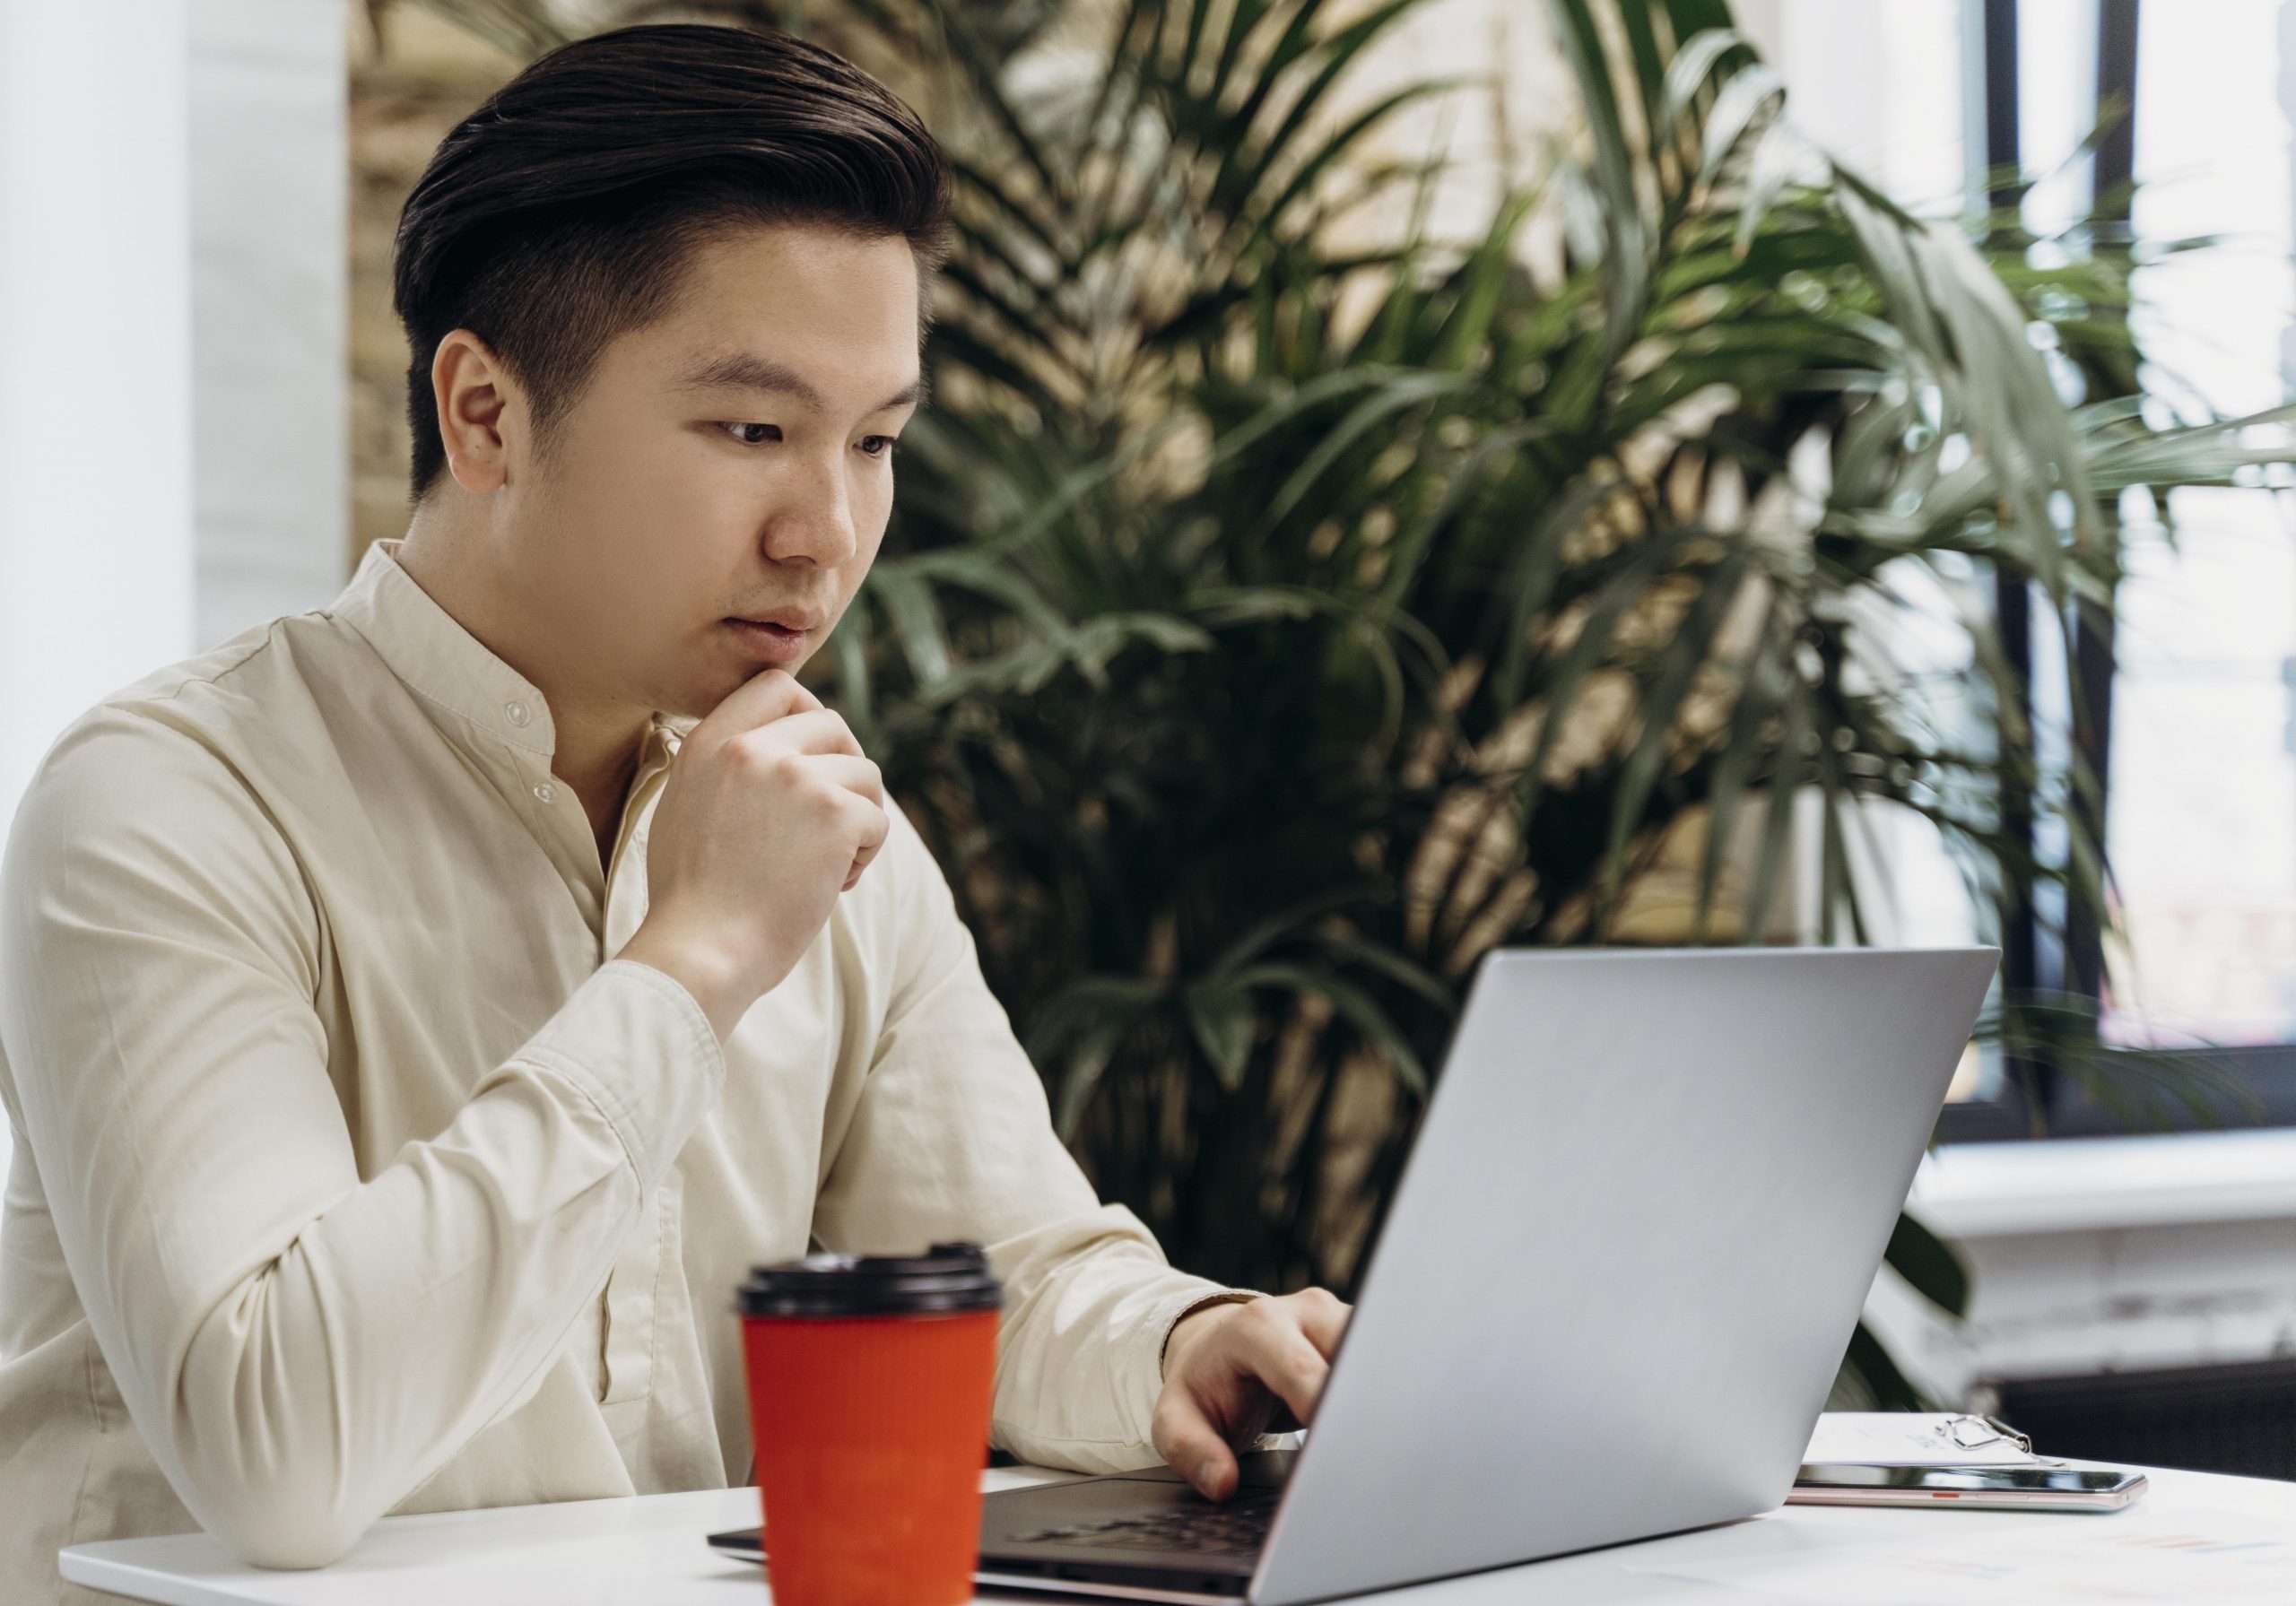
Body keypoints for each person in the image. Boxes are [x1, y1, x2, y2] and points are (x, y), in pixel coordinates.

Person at [0, 23, 1350, 1602]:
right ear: (485, 414)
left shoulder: (832, 830)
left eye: (880, 442)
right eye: (755, 430)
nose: (828, 533)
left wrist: (1178, 1349)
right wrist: (691, 961)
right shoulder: (169, 798)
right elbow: (276, 1447)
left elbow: (997, 1287)